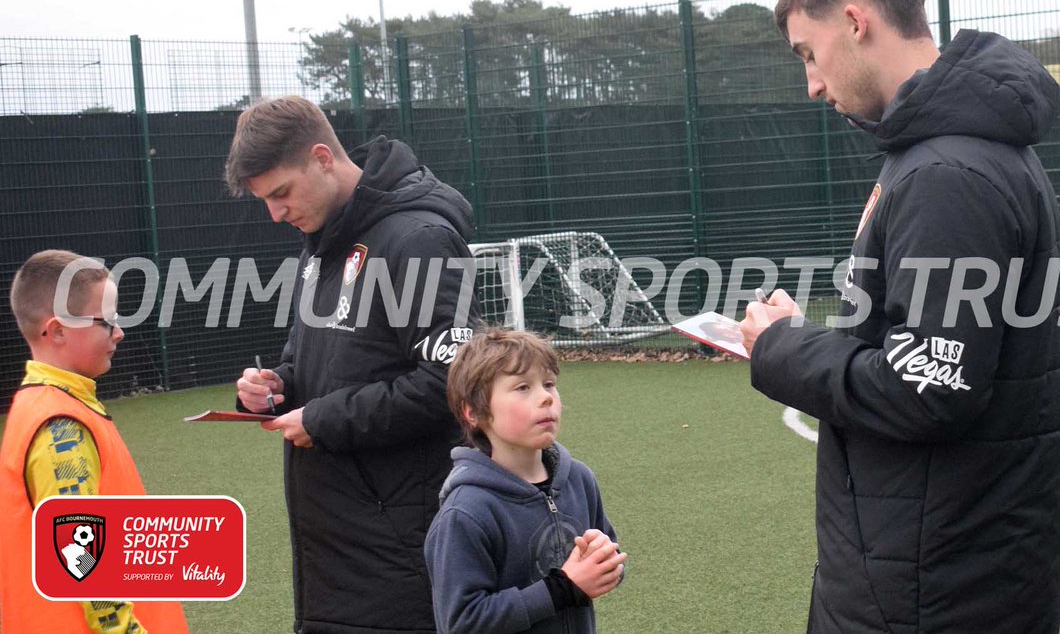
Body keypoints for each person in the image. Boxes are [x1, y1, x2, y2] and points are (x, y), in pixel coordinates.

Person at [739, 0, 1060, 632]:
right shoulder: (938, 152)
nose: (811, 83)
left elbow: (929, 383)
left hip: (934, 587)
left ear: (855, 22)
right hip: (934, 563)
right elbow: (919, 345)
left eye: (809, 54)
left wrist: (779, 351)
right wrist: (804, 337)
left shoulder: (948, 171)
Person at [224, 95, 480, 633]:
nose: (275, 213)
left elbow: (451, 382)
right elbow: (310, 361)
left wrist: (322, 419)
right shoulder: (322, 239)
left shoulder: (418, 239)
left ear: (322, 157)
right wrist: (276, 388)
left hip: (400, 542)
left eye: (281, 193)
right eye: (264, 201)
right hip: (334, 539)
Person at [0, 250, 189, 633]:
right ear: (57, 331)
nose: (118, 332)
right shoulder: (60, 428)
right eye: (107, 322)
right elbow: (79, 558)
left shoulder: (44, 404)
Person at [425, 330, 625, 634]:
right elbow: (462, 622)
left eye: (549, 384)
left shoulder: (579, 480)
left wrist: (605, 560)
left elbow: (609, 554)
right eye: (522, 387)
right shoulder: (466, 512)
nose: (546, 397)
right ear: (473, 412)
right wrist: (562, 588)